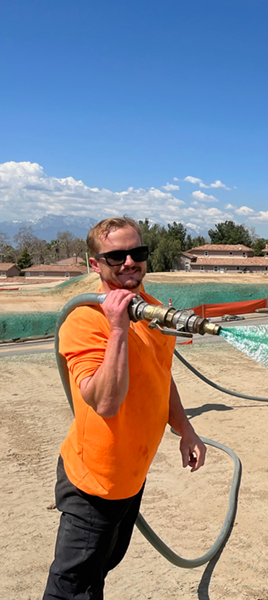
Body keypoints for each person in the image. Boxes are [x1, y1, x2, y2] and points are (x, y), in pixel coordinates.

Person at [43, 217, 206, 599]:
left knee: (101, 568)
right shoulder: (85, 320)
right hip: (95, 485)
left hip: (132, 477)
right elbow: (104, 401)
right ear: (95, 264)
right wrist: (117, 329)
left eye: (138, 252)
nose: (129, 262)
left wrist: (186, 429)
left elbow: (160, 376)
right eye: (116, 256)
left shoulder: (149, 309)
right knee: (72, 588)